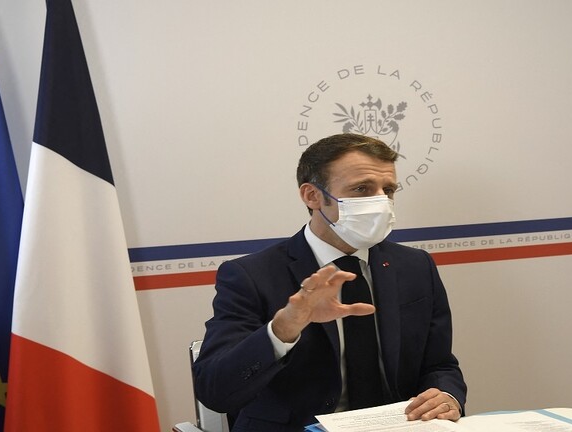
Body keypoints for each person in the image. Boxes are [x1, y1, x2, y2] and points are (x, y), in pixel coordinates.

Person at [193, 133, 466, 431]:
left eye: (387, 190)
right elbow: (214, 391)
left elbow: (440, 364)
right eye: (361, 189)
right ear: (312, 196)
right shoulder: (250, 275)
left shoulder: (415, 266)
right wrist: (282, 330)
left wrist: (446, 395)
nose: (380, 201)